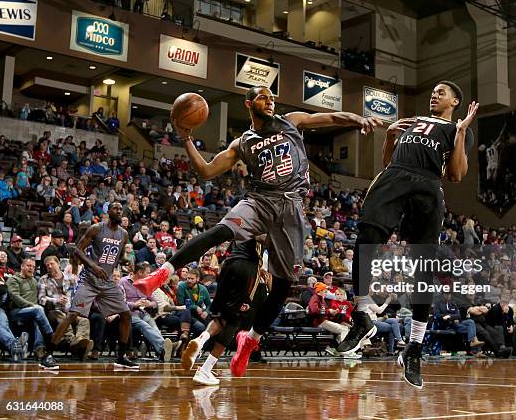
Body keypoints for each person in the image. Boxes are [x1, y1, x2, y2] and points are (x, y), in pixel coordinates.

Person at [137, 85, 382, 377]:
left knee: (282, 286)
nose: (270, 101)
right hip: (258, 200)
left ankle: (249, 340)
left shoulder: (291, 121)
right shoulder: (242, 143)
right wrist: (186, 138)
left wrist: (358, 119)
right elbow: (206, 170)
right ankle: (160, 274)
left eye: (272, 97)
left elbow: (330, 118)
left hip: (290, 208)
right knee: (220, 231)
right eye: (264, 97)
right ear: (249, 103)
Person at [336, 81, 478, 388]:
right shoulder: (413, 122)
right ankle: (361, 317)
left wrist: (462, 131)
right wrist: (389, 137)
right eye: (433, 91)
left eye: (442, 92)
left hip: (427, 186)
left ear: (455, 101)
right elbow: (388, 161)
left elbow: (455, 174)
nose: (435, 94)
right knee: (367, 239)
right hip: (395, 175)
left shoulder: (456, 129)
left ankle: (413, 347)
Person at [48, 202, 138, 369]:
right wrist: (93, 266)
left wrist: (127, 262)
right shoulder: (96, 228)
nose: (119, 211)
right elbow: (77, 250)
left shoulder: (123, 234)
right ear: (108, 211)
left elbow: (116, 258)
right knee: (72, 315)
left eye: (121, 209)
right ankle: (48, 355)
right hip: (89, 280)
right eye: (115, 208)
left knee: (126, 315)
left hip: (108, 282)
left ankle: (121, 357)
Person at [181, 238, 270, 386]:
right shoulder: (263, 223)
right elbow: (262, 238)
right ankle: (206, 369)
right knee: (233, 322)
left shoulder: (242, 221)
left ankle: (201, 340)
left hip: (228, 265)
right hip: (247, 269)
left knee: (221, 316)